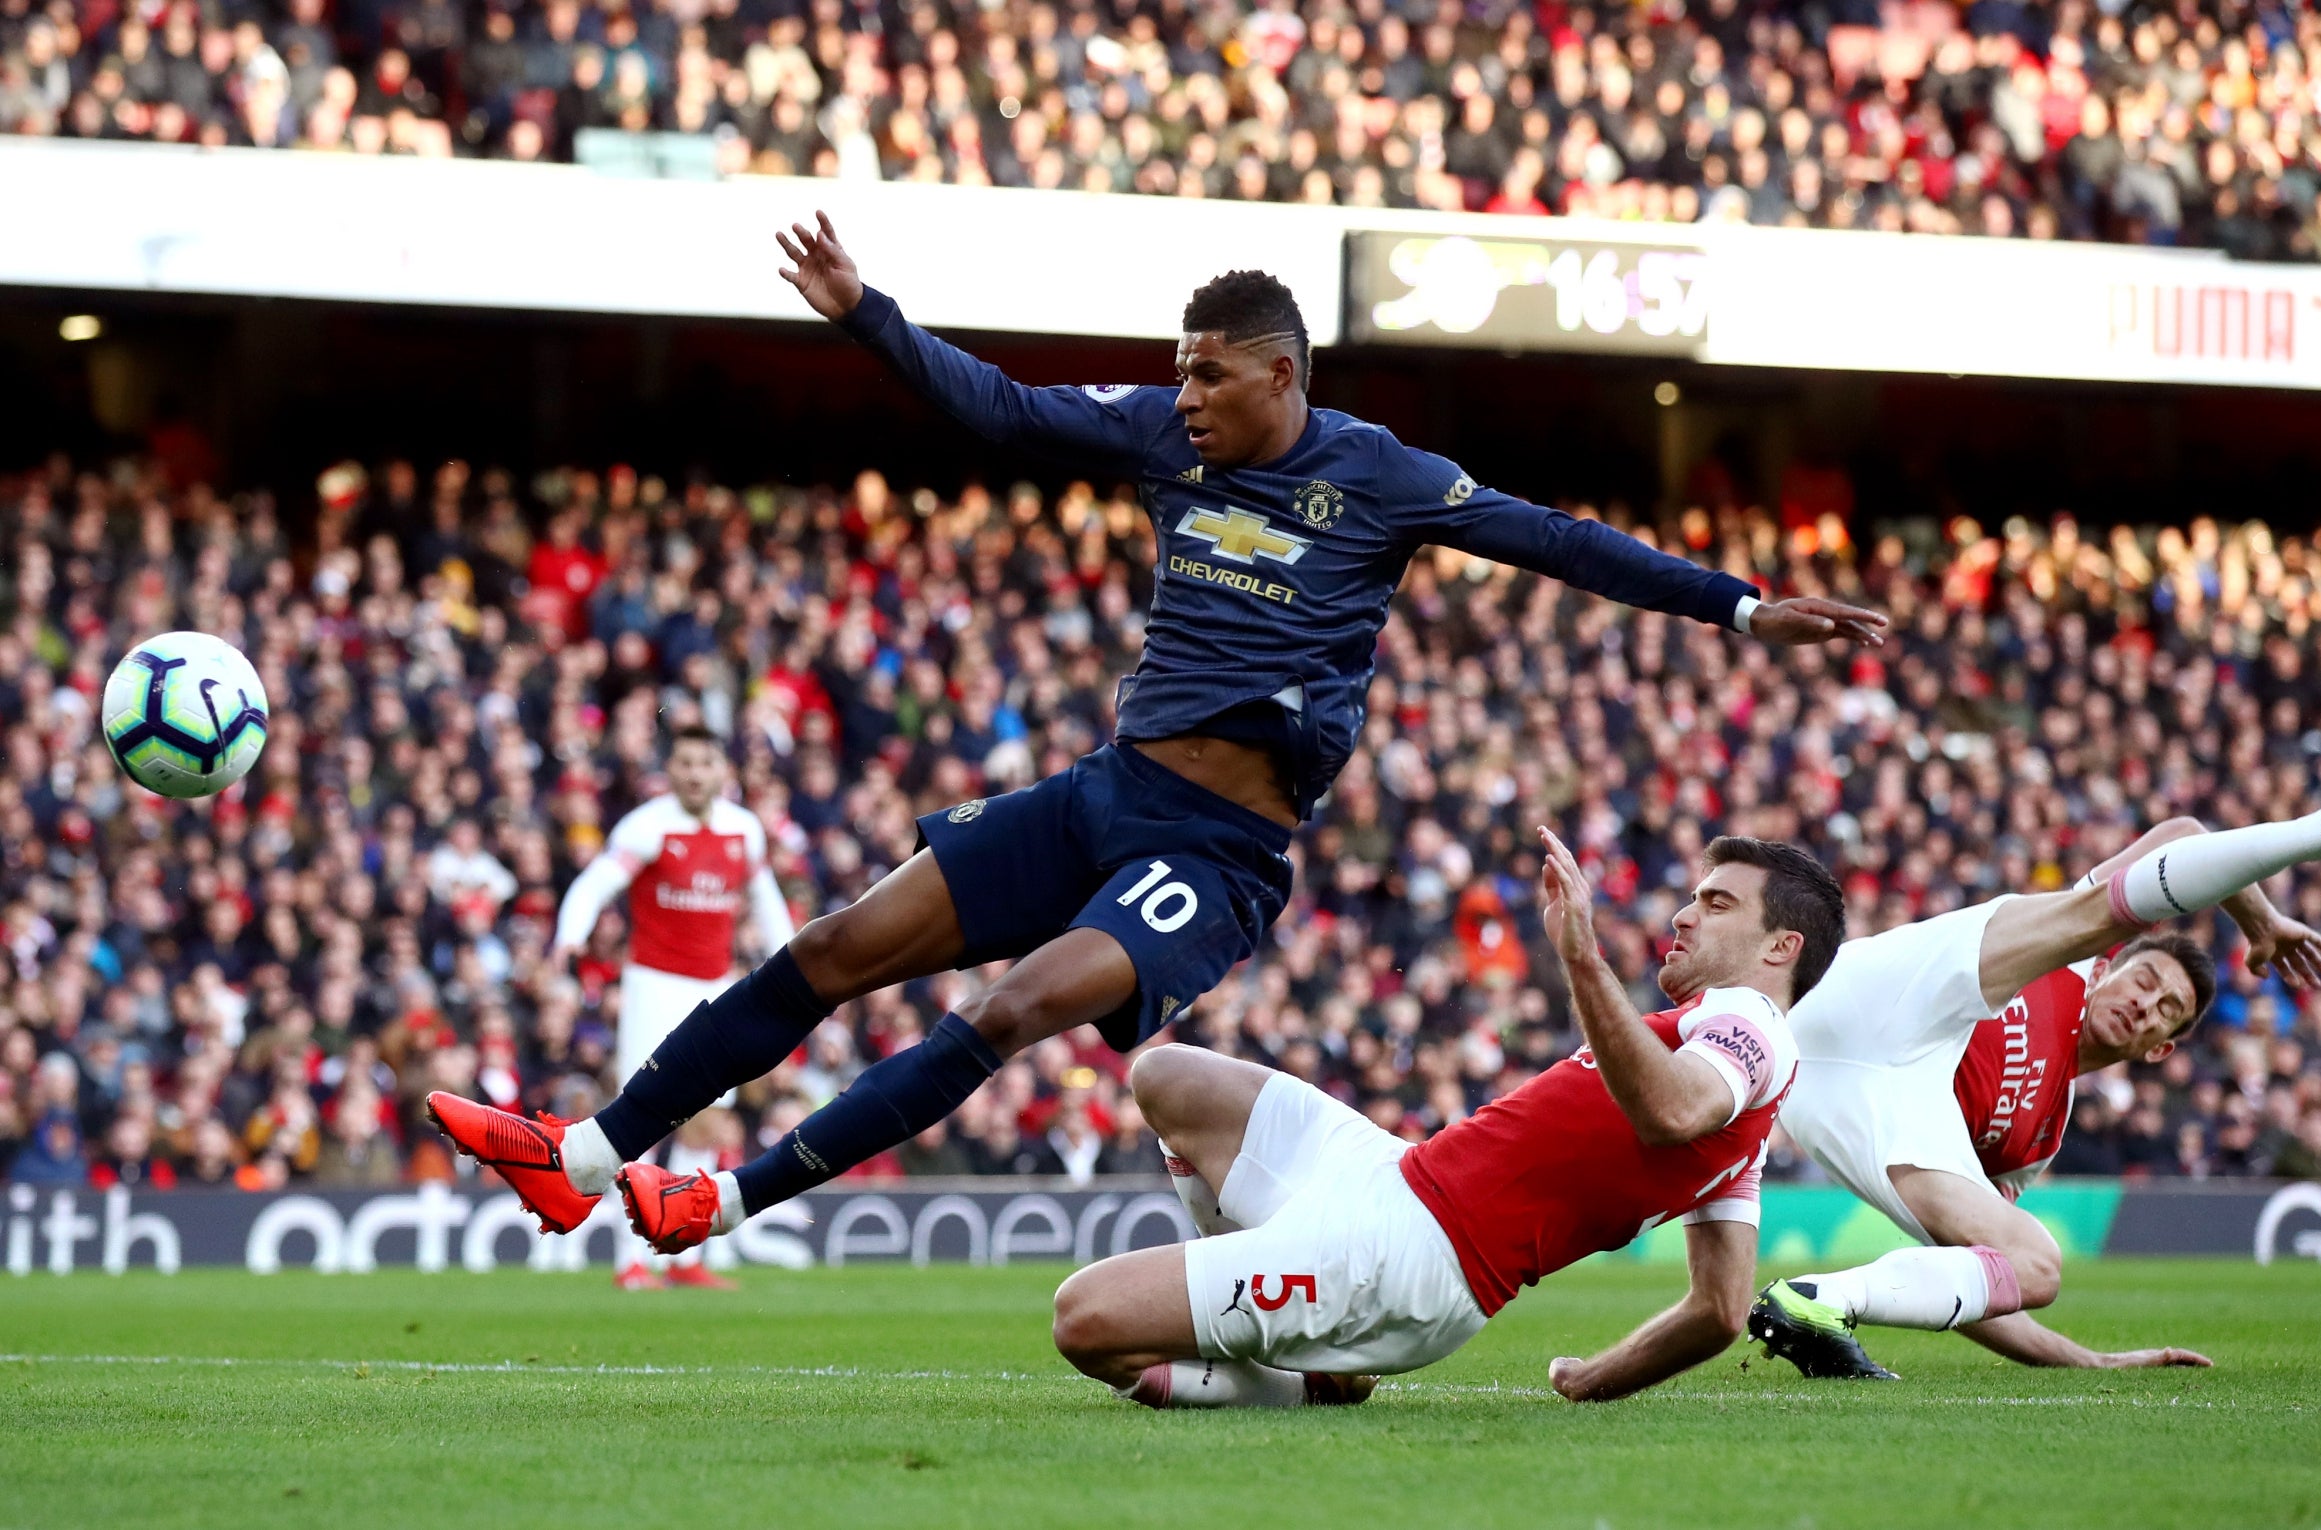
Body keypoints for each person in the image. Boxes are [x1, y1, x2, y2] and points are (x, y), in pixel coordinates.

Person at [426, 211, 1887, 1255]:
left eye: (1204, 373)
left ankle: (724, 1201)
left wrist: (1744, 609)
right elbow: (997, 411)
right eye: (1175, 372)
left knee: (1006, 1012)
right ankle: (586, 1155)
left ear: (1278, 376)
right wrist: (868, 315)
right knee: (829, 947)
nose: (1179, 393)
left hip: (1219, 847)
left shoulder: (1380, 478)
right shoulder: (1154, 437)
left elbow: (1558, 541)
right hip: (1100, 795)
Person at [1050, 830, 1838, 1407]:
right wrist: (1587, 1381)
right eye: (1695, 896)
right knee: (1168, 1077)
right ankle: (1297, 1330)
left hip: (1410, 1255)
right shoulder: (1739, 1114)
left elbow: (1671, 1109)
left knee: (1085, 1321)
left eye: (1717, 903)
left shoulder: (1753, 1025)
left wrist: (1581, 957)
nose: (1682, 916)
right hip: (1392, 1174)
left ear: (1780, 948)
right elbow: (1719, 1309)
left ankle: (1300, 1382)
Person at [1749, 763, 2321, 1378]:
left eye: (2166, 1009)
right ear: (2116, 967)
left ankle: (1821, 1299)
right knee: (2044, 926)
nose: (2145, 1003)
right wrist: (2262, 923)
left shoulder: (2038, 1139)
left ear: (2161, 1048)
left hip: (1855, 1104)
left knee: (2038, 1263)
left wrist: (2093, 1360)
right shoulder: (2077, 959)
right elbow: (2182, 833)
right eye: (2146, 979)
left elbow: (1981, 1281)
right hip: (1870, 1002)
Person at [538, 723, 792, 1289]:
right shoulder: (648, 826)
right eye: (685, 763)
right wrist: (570, 933)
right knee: (640, 1120)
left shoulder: (742, 831)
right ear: (670, 770)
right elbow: (596, 882)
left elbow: (766, 900)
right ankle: (630, 1260)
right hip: (653, 986)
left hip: (714, 988)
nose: (696, 773)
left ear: (722, 770)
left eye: (706, 762)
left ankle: (683, 1254)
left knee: (708, 1122)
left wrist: (794, 964)